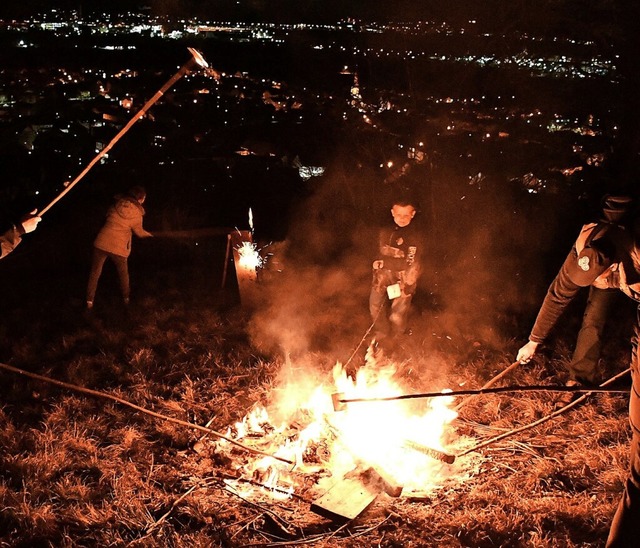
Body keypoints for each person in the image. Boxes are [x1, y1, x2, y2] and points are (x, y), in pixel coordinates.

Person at [515, 198, 640, 546]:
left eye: (600, 280)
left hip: (633, 273)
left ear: (613, 269)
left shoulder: (636, 252)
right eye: (591, 281)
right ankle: (581, 376)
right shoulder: (582, 256)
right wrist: (533, 340)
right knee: (593, 318)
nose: (595, 285)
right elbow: (558, 295)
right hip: (617, 268)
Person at [86, 186, 153, 309]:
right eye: (143, 198)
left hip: (101, 242)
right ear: (140, 199)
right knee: (123, 274)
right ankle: (126, 300)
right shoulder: (137, 214)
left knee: (95, 273)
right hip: (119, 248)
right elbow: (139, 232)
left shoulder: (116, 204)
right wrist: (149, 235)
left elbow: (107, 217)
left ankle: (89, 302)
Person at [369, 198, 422, 342]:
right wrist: (374, 261)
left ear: (413, 214)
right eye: (398, 214)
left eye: (406, 215)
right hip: (382, 276)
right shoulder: (385, 230)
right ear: (393, 213)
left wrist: (409, 286)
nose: (402, 218)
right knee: (375, 305)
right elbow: (376, 250)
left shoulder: (414, 236)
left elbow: (410, 263)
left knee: (398, 312)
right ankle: (382, 333)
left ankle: (398, 338)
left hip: (403, 279)